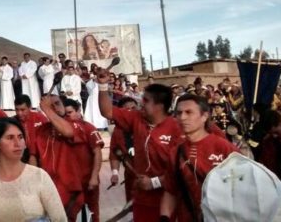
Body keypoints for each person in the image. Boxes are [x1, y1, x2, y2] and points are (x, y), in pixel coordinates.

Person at [97, 70, 182, 221]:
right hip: (142, 199)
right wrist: (103, 85)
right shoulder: (136, 118)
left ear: (159, 106)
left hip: (170, 200)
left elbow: (181, 170)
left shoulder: (177, 128)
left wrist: (154, 183)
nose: (141, 102)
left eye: (146, 100)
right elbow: (107, 111)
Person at [0, 117, 66, 222]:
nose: (17, 143)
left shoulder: (39, 176)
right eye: (10, 138)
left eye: (20, 137)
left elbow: (60, 218)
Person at [160, 94, 239, 222]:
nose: (182, 117)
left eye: (189, 112)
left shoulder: (225, 148)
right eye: (179, 113)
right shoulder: (175, 152)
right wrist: (164, 218)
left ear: (204, 116)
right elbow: (170, 191)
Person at [31, 95, 91, 221]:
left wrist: (47, 109)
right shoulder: (40, 130)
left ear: (64, 106)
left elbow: (68, 132)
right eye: (51, 105)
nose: (54, 108)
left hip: (70, 189)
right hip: (47, 189)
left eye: (57, 104)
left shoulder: (76, 125)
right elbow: (33, 155)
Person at [63, 99, 103, 221]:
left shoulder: (89, 128)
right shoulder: (59, 130)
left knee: (92, 211)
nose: (67, 116)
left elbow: (97, 152)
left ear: (78, 111)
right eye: (65, 114)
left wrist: (94, 176)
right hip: (69, 181)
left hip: (87, 179)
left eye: (69, 112)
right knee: (70, 213)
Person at [109, 97, 138, 202]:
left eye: (134, 108)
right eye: (127, 109)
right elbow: (115, 154)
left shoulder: (148, 125)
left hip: (153, 177)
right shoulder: (117, 132)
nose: (131, 112)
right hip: (132, 177)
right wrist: (115, 173)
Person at [13, 95, 48, 163]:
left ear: (30, 107)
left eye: (22, 110)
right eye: (17, 109)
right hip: (21, 156)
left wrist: (33, 154)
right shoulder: (12, 121)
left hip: (40, 155)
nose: (19, 113)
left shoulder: (40, 118)